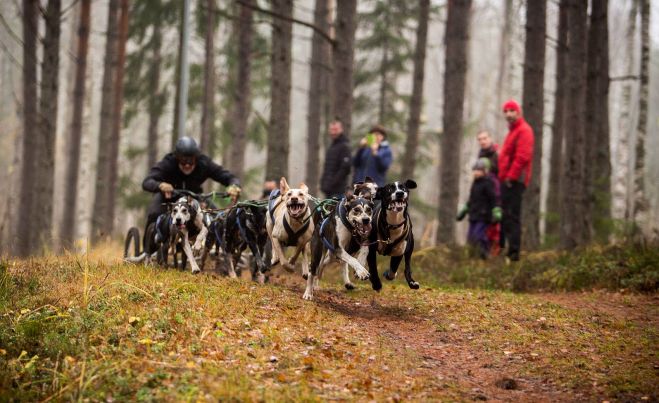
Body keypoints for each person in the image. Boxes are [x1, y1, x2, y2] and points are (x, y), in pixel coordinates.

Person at [142, 136, 241, 234]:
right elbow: (147, 181)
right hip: (169, 197)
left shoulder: (204, 163)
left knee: (216, 217)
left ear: (196, 158)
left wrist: (234, 186)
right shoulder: (168, 163)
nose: (187, 165)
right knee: (154, 214)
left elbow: (228, 176)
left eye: (191, 161)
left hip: (195, 198)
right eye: (183, 161)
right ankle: (147, 248)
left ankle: (214, 244)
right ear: (177, 158)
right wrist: (160, 185)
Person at [498, 99, 534, 262]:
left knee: (512, 217)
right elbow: (506, 156)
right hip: (506, 180)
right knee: (506, 217)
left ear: (518, 112)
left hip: (515, 181)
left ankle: (514, 254)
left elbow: (523, 157)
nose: (508, 114)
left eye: (511, 110)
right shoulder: (512, 132)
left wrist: (511, 177)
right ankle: (506, 251)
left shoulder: (524, 130)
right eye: (506, 111)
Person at [456, 158, 501, 259]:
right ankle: (473, 258)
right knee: (471, 238)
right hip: (474, 215)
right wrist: (464, 210)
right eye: (475, 170)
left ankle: (485, 254)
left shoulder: (488, 183)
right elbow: (471, 199)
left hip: (484, 216)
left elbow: (493, 198)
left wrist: (496, 210)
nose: (476, 172)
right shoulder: (475, 184)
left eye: (479, 170)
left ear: (485, 171)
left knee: (478, 235)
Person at [476, 130, 501, 255]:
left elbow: (500, 172)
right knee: (485, 223)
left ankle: (496, 251)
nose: (482, 141)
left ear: (490, 138)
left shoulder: (496, 153)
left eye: (484, 138)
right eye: (480, 139)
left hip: (495, 190)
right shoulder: (481, 154)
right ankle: (485, 251)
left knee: (495, 222)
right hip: (483, 194)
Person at [320, 119, 352, 199]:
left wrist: (331, 184)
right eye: (331, 130)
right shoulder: (332, 147)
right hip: (329, 191)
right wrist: (323, 184)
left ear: (341, 129)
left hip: (339, 192)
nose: (333, 132)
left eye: (335, 129)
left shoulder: (345, 147)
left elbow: (345, 169)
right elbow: (328, 169)